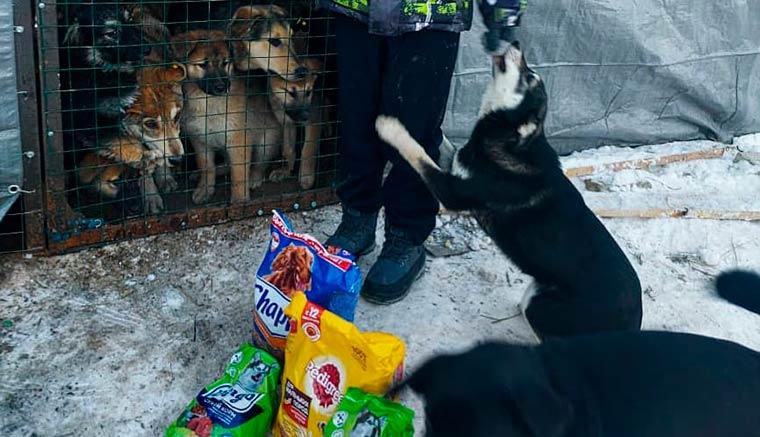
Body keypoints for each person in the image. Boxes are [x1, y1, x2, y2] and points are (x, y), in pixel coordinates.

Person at [320, 0, 525, 304]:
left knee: (414, 131)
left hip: (430, 15)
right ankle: (357, 219)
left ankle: (406, 237)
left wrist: (502, 12)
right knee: (355, 122)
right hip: (355, 9)